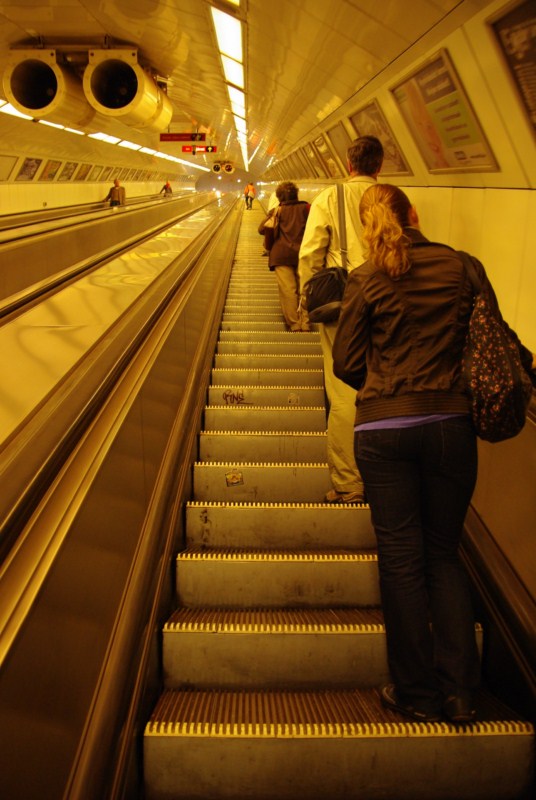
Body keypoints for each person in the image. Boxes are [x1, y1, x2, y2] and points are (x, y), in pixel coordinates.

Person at [332, 183, 536, 724]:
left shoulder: (365, 278)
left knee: (401, 560)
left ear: (366, 226)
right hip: (450, 425)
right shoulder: (463, 267)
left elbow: (345, 362)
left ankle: (416, 693)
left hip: (383, 430)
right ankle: (461, 694)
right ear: (415, 213)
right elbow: (496, 338)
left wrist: (386, 385)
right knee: (443, 554)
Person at [298, 135, 384, 504]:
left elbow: (310, 254)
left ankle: (350, 482)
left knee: (344, 391)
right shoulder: (391, 197)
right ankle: (384, 477)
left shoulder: (329, 197)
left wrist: (307, 301)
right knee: (383, 386)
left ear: (349, 164)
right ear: (380, 165)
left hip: (344, 305)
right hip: (388, 302)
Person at [258, 181, 311, 332]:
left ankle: (294, 324)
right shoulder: (307, 208)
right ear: (296, 194)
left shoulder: (277, 211)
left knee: (288, 290)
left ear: (279, 197)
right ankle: (306, 322)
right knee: (305, 288)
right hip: (304, 253)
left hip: (281, 255)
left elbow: (261, 229)